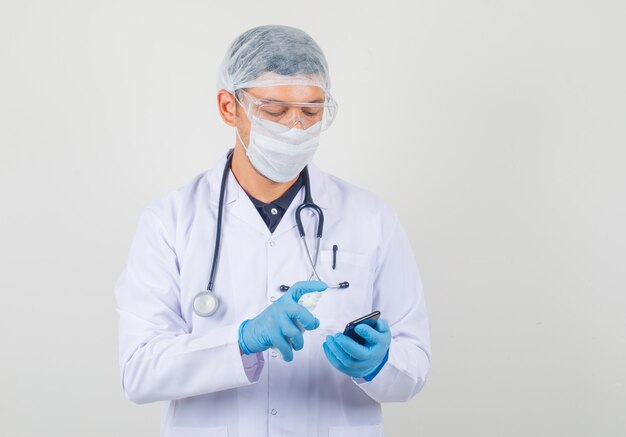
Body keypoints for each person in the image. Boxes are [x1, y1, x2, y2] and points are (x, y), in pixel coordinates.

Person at [115, 25, 431, 437]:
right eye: (276, 111)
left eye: (312, 111)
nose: (296, 127)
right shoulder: (170, 220)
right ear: (230, 107)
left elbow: (415, 361)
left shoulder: (371, 218)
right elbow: (138, 371)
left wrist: (381, 365)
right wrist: (241, 341)